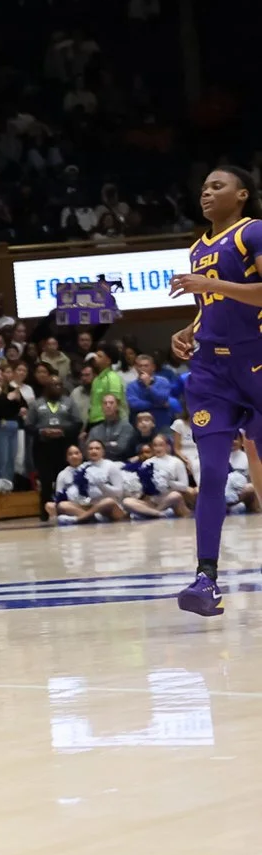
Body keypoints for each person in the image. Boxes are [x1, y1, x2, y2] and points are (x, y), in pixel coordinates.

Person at [166, 166, 261, 615]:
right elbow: (212, 308)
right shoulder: (196, 248)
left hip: (256, 364)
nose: (206, 192)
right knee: (213, 473)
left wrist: (211, 285)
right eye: (203, 187)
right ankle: (205, 580)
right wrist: (187, 330)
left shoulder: (253, 233)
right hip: (210, 373)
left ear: (242, 194)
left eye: (216, 186)